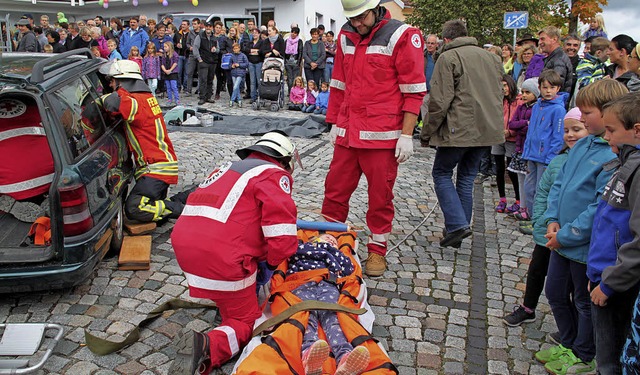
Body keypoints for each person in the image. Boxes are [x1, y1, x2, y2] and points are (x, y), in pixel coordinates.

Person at [169, 131, 301, 375]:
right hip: (222, 257)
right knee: (246, 321)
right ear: (284, 160)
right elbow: (282, 238)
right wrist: (270, 265)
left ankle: (227, 300)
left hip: (185, 246)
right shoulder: (274, 174)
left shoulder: (228, 168)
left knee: (232, 292)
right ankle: (207, 347)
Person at [323, 0, 426, 275]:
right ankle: (329, 241)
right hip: (348, 132)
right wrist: (333, 122)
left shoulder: (402, 35)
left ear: (376, 8)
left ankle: (377, 250)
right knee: (334, 190)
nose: (357, 23)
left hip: (382, 137)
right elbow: (338, 83)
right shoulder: (346, 34)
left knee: (380, 197)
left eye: (361, 17)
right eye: (352, 18)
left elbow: (413, 90)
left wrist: (406, 134)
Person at [535, 79, 625, 375]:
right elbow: (559, 185)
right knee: (556, 293)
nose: (581, 118)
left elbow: (597, 208)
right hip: (560, 239)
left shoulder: (611, 155)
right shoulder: (582, 144)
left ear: (608, 113)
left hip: (582, 247)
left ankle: (584, 353)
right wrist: (551, 219)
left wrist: (566, 234)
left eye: (587, 113)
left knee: (584, 303)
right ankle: (570, 343)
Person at [503, 107, 588, 327]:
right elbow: (543, 192)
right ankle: (528, 307)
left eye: (577, 129)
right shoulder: (558, 161)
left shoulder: (591, 164)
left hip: (571, 234)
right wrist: (541, 220)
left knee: (568, 282)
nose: (570, 135)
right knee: (537, 269)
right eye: (567, 130)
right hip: (547, 229)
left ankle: (572, 324)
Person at [422, 19, 502, 248]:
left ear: (446, 40)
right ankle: (457, 229)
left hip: (459, 128)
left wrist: (428, 131)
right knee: (466, 178)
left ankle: (457, 225)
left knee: (442, 173)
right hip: (486, 129)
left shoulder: (449, 57)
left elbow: (439, 100)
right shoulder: (492, 58)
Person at [586, 93, 640, 375]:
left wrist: (609, 282)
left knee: (612, 361)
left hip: (617, 282)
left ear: (636, 129)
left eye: (611, 131)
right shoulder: (623, 162)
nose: (606, 138)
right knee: (604, 356)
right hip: (603, 274)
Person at [100, 60, 185, 223]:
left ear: (122, 80)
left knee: (135, 208)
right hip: (160, 164)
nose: (110, 85)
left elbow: (111, 103)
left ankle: (184, 210)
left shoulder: (134, 101)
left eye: (112, 81)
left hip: (155, 168)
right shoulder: (145, 97)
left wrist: (94, 100)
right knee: (154, 211)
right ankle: (175, 204)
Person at [289, 235, 371, 375]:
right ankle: (308, 353)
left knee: (333, 319)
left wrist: (334, 251)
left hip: (329, 285)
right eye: (327, 238)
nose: (331, 240)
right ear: (314, 240)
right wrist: (325, 249)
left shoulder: (336, 254)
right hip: (303, 282)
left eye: (334, 241)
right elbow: (292, 253)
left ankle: (344, 357)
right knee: (308, 316)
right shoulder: (304, 247)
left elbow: (348, 268)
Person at [519, 70, 568, 222]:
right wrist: (526, 151)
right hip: (531, 155)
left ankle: (538, 220)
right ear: (539, 88)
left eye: (552, 88)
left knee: (541, 190)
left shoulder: (558, 109)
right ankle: (532, 215)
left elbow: (557, 136)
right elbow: (531, 131)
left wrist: (550, 158)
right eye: (545, 87)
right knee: (529, 188)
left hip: (545, 157)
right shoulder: (536, 106)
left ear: (557, 89)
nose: (548, 91)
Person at [507, 78, 540, 235]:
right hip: (520, 148)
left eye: (528, 92)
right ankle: (522, 206)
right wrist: (524, 124)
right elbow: (512, 124)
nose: (524, 95)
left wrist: (525, 125)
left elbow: (531, 127)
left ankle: (530, 210)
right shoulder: (521, 107)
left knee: (530, 181)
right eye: (523, 92)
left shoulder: (537, 108)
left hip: (530, 149)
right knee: (521, 180)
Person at [493, 74, 521, 214]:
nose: (503, 88)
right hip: (498, 137)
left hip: (512, 139)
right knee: (498, 169)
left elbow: (520, 121)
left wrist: (510, 132)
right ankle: (502, 198)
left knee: (512, 170)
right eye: (501, 86)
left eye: (505, 85)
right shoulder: (498, 100)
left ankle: (518, 199)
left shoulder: (519, 101)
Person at [538, 26, 574, 94]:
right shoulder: (554, 58)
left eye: (543, 39)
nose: (540, 43)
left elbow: (555, 85)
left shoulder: (558, 60)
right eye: (539, 39)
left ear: (554, 39)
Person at [193, 21, 219, 106]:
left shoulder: (214, 38)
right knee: (203, 80)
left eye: (210, 26)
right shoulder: (199, 36)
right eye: (207, 26)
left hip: (212, 62)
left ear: (212, 28)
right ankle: (202, 97)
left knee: (210, 80)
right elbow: (195, 48)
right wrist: (199, 59)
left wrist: (215, 50)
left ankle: (208, 97)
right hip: (203, 61)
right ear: (205, 27)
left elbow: (218, 49)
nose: (208, 28)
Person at [245, 28, 265, 103]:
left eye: (256, 33)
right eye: (253, 33)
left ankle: (260, 96)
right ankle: (253, 97)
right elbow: (246, 49)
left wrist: (255, 51)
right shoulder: (250, 43)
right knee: (252, 81)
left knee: (259, 81)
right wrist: (254, 51)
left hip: (258, 63)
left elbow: (261, 51)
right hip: (251, 63)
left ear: (259, 34)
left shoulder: (261, 42)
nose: (254, 34)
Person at [185, 18, 201, 96]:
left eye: (195, 24)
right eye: (193, 24)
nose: (193, 25)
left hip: (200, 55)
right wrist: (190, 47)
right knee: (189, 72)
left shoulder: (202, 33)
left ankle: (199, 90)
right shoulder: (190, 33)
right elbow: (187, 43)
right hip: (192, 55)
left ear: (199, 24)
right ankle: (188, 90)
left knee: (200, 73)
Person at [285, 26, 304, 95]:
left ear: (297, 34)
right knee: (289, 80)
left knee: (295, 80)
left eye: (295, 33)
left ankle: (296, 94)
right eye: (292, 32)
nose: (293, 34)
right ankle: (290, 94)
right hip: (288, 62)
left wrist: (298, 63)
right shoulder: (287, 41)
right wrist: (284, 61)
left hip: (296, 62)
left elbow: (301, 52)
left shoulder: (299, 41)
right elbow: (284, 51)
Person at [229, 43, 249, 107]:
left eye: (236, 48)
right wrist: (231, 66)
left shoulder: (243, 55)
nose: (235, 50)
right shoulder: (232, 56)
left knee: (235, 87)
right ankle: (239, 100)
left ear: (239, 49)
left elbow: (246, 64)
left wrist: (239, 65)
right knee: (236, 87)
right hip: (233, 73)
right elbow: (229, 65)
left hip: (240, 73)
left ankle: (232, 100)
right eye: (234, 49)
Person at [161, 41, 180, 106]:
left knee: (174, 86)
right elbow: (162, 64)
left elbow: (175, 63)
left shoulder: (174, 54)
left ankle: (177, 99)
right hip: (166, 73)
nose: (164, 48)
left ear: (170, 47)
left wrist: (170, 70)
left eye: (166, 46)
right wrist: (165, 70)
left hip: (173, 73)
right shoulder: (164, 55)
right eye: (164, 47)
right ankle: (169, 99)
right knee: (168, 87)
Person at [174, 20, 190, 93]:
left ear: (188, 26)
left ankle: (186, 87)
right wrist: (176, 45)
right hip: (179, 54)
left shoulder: (190, 34)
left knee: (187, 72)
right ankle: (178, 87)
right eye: (182, 24)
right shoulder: (177, 34)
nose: (183, 26)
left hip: (188, 55)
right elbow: (173, 43)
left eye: (184, 24)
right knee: (179, 72)